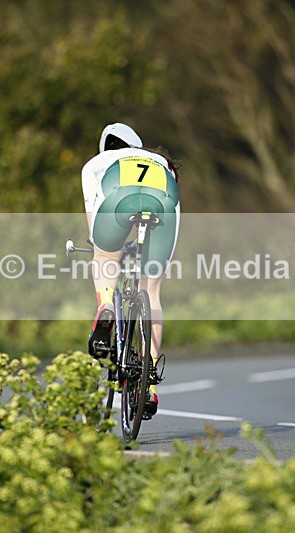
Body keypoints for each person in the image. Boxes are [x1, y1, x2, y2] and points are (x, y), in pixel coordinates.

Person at [81, 122, 180, 418]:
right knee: (151, 289)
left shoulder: (95, 164)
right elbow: (174, 204)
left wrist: (106, 248)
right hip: (163, 202)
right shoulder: (160, 162)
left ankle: (107, 305)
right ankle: (149, 385)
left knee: (103, 256)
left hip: (116, 199)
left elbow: (94, 224)